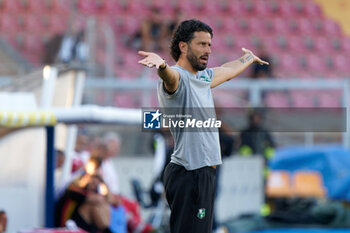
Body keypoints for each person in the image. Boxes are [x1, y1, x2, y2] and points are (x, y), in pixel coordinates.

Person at [138, 19, 269, 233]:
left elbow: (227, 70)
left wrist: (247, 58)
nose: (207, 50)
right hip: (189, 174)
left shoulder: (203, 77)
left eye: (209, 45)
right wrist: (161, 66)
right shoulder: (177, 77)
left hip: (203, 174)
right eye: (201, 44)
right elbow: (170, 77)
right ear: (183, 46)